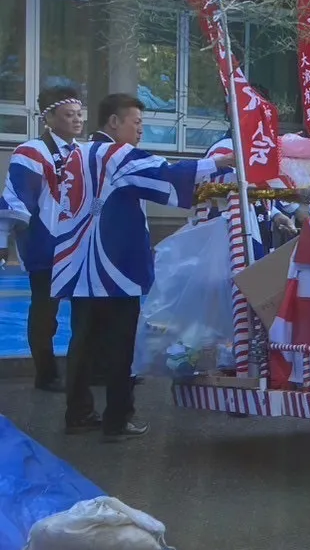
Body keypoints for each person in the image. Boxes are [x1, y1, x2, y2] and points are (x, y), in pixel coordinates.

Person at [52, 94, 228, 441]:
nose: (140, 132)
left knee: (82, 344)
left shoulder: (77, 154)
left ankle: (78, 413)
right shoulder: (116, 155)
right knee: (120, 346)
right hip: (113, 267)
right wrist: (220, 162)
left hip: (79, 266)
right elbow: (165, 176)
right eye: (136, 123)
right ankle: (117, 418)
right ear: (113, 122)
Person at [1, 83, 87, 394]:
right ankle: (46, 373)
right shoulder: (30, 152)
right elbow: (18, 200)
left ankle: (87, 368)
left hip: (77, 241)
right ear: (47, 118)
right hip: (44, 241)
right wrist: (4, 241)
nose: (76, 120)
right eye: (68, 115)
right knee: (45, 311)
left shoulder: (83, 151)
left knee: (87, 309)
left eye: (79, 114)